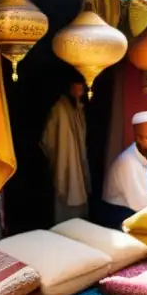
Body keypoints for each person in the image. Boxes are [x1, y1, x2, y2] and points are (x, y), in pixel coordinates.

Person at [40, 78, 90, 224]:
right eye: (78, 86)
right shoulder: (59, 109)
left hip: (78, 166)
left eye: (83, 88)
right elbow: (47, 140)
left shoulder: (77, 108)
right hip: (65, 164)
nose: (81, 90)